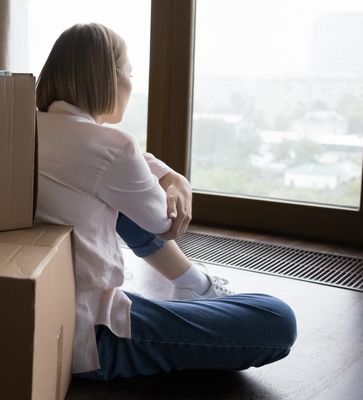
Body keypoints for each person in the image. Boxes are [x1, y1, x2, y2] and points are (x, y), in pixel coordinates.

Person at [34, 22, 297, 380]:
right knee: (277, 320)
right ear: (106, 78)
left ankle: (192, 284)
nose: (131, 83)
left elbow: (111, 162)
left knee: (117, 197)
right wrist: (174, 180)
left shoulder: (26, 128)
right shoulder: (113, 148)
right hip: (91, 340)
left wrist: (171, 176)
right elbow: (162, 223)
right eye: (129, 72)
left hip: (42, 316)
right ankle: (197, 286)